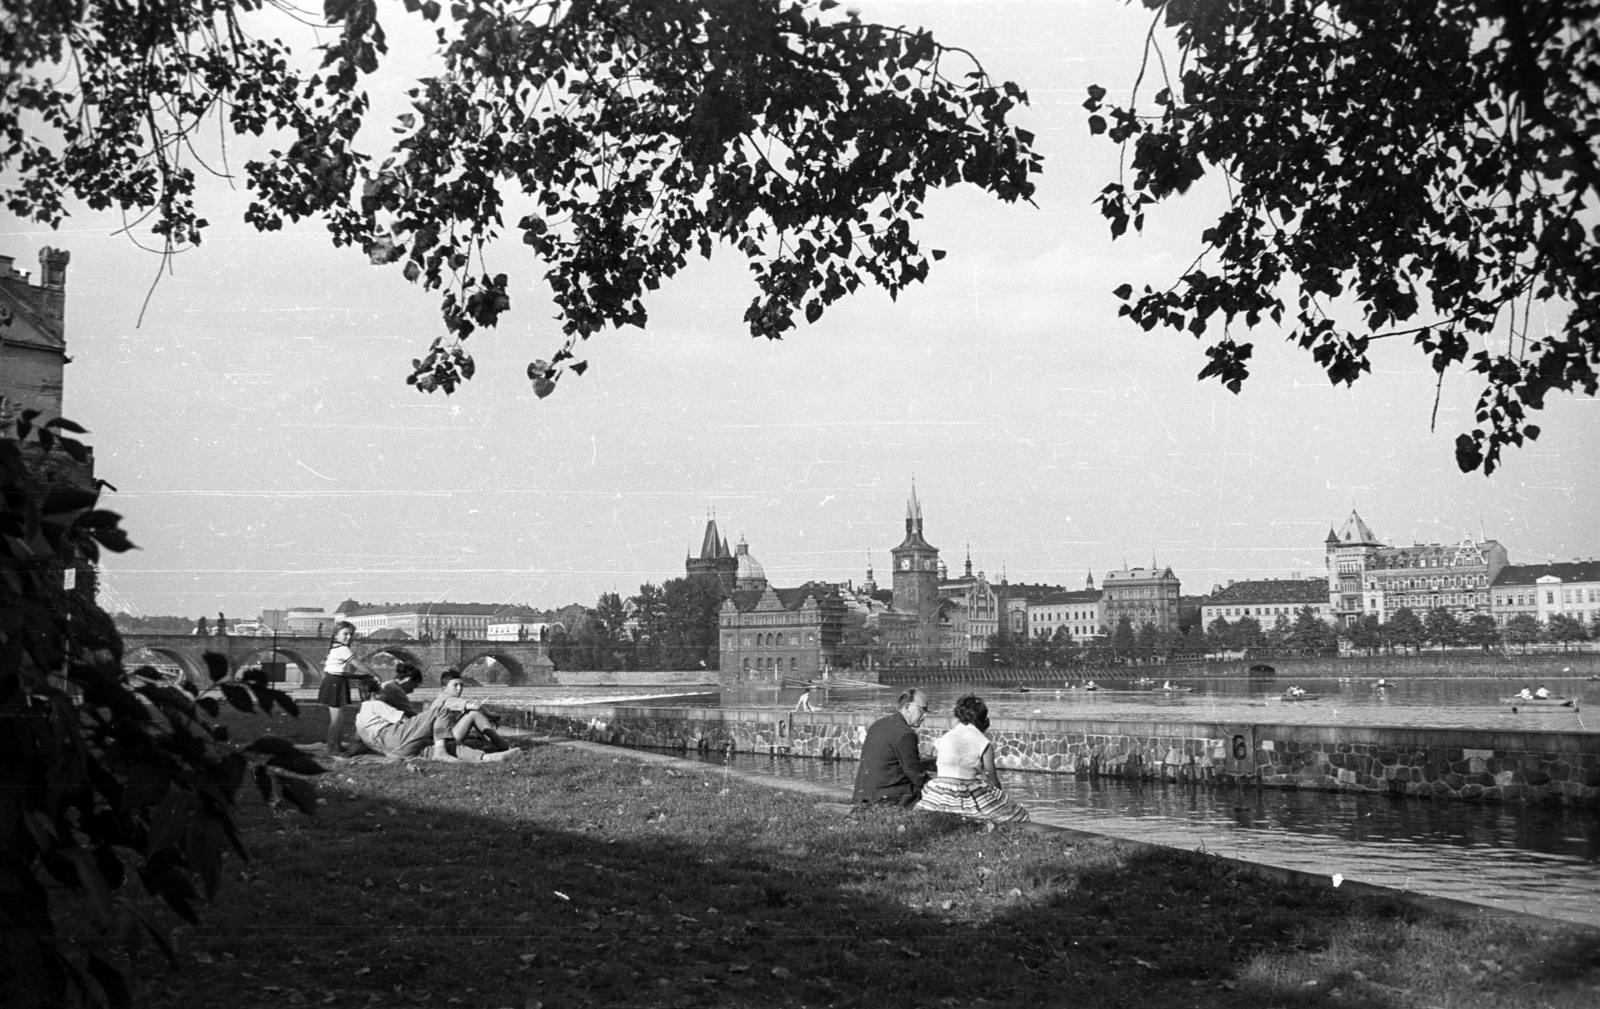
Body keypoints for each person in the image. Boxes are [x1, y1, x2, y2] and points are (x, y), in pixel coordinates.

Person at [915, 694, 1030, 824]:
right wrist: (1001, 799)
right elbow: (992, 779)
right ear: (982, 720)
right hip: (963, 791)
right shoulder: (983, 742)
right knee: (1018, 813)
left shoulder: (946, 737)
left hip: (938, 791)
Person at [850, 688, 935, 806]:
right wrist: (936, 787)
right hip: (885, 800)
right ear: (907, 707)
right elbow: (916, 776)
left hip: (864, 796)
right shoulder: (906, 733)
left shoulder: (878, 724)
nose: (925, 715)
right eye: (922, 710)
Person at [353, 680, 455, 758]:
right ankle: (441, 751)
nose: (384, 695)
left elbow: (357, 740)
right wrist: (426, 727)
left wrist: (350, 752)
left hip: (389, 750)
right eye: (381, 692)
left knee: (430, 748)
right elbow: (405, 720)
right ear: (374, 695)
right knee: (441, 710)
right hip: (392, 739)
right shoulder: (376, 704)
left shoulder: (360, 716)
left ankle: (443, 747)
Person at [431, 669, 517, 759]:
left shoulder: (442, 698)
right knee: (473, 714)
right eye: (455, 685)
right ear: (444, 688)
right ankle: (504, 747)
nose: (459, 688)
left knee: (475, 734)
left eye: (461, 685)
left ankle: (500, 745)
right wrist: (490, 714)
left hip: (439, 741)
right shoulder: (448, 700)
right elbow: (475, 706)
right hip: (440, 745)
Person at [320, 621, 377, 756]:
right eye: (345, 634)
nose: (349, 637)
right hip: (335, 683)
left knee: (338, 718)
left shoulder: (335, 648)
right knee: (336, 719)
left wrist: (359, 677)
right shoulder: (343, 649)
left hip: (335, 680)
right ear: (336, 635)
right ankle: (331, 749)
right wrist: (375, 675)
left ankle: (336, 746)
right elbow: (358, 664)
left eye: (351, 634)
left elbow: (339, 671)